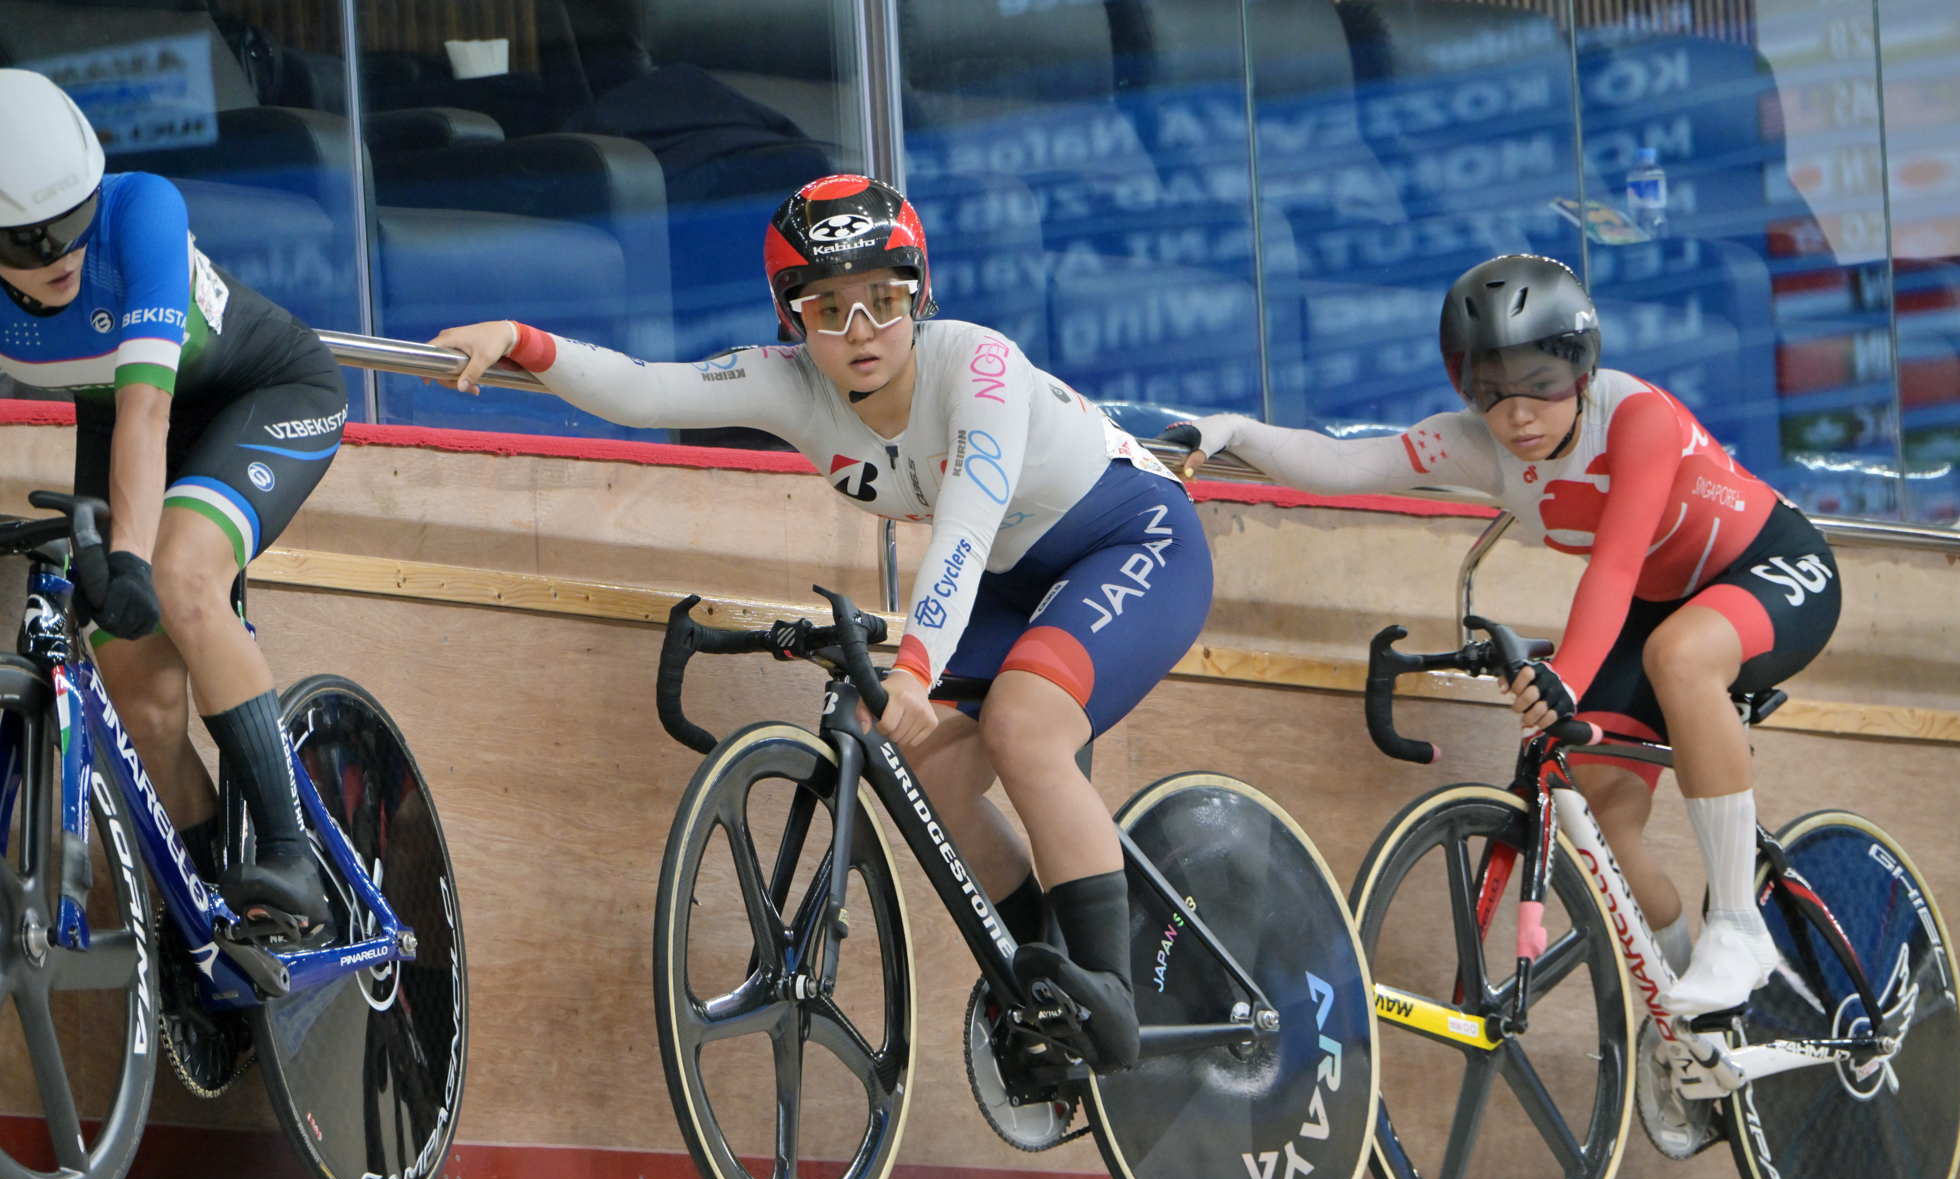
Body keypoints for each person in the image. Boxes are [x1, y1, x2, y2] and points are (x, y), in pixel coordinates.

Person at [432, 174, 1212, 1071]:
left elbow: (962, 530)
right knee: (921, 770)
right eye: (826, 307)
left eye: (884, 300)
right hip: (1012, 573)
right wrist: (520, 339)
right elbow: (648, 391)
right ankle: (1045, 976)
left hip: (1129, 536)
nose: (859, 332)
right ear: (790, 317)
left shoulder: (978, 366)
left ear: (920, 294)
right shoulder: (792, 384)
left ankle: (1108, 991)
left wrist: (916, 667)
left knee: (1024, 724)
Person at [1171, 254, 1839, 1018]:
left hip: (1773, 566)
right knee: (1609, 825)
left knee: (1680, 656)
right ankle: (1699, 1026)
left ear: (1581, 370)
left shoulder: (1635, 418)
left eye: (1541, 386)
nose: (1517, 414)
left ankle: (1739, 928)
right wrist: (1233, 431)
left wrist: (1570, 677)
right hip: (1661, 606)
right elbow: (1343, 462)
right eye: (1490, 390)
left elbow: (1615, 568)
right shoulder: (1481, 445)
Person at [0, 71, 348, 942]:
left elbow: (148, 411)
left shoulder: (141, 209)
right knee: (140, 701)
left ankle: (290, 855)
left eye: (77, 220)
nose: (63, 254)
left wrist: (128, 555)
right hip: (117, 420)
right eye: (32, 242)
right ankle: (204, 923)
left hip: (264, 395)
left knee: (180, 575)